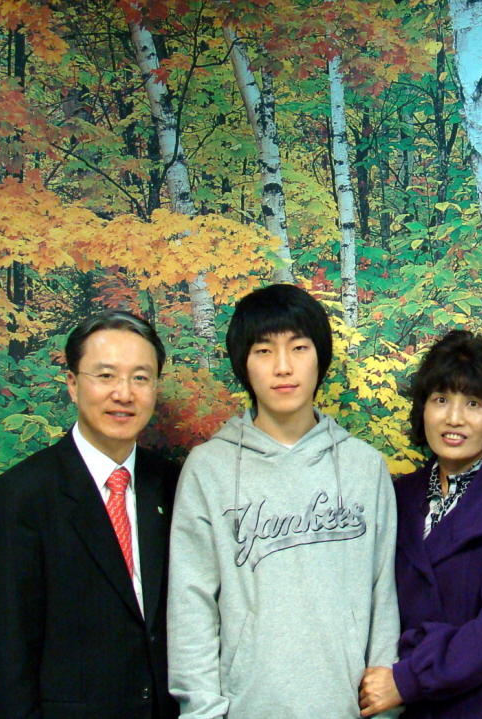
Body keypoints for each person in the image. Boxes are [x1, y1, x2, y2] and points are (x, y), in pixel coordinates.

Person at [167, 284, 399, 719]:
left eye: (299, 347)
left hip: (348, 708)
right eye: (264, 351)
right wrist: (201, 712)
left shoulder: (364, 467)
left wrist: (384, 705)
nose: (283, 367)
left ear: (320, 358)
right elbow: (191, 603)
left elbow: (383, 592)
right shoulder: (208, 469)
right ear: (243, 364)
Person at [0, 311, 179, 719]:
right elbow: (4, 661)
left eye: (140, 378)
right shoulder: (16, 498)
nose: (124, 394)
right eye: (105, 376)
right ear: (72, 383)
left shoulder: (173, 485)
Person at [358, 330, 482, 719]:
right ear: (423, 408)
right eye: (441, 399)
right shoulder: (400, 495)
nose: (454, 418)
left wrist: (408, 679)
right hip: (411, 708)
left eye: (474, 403)